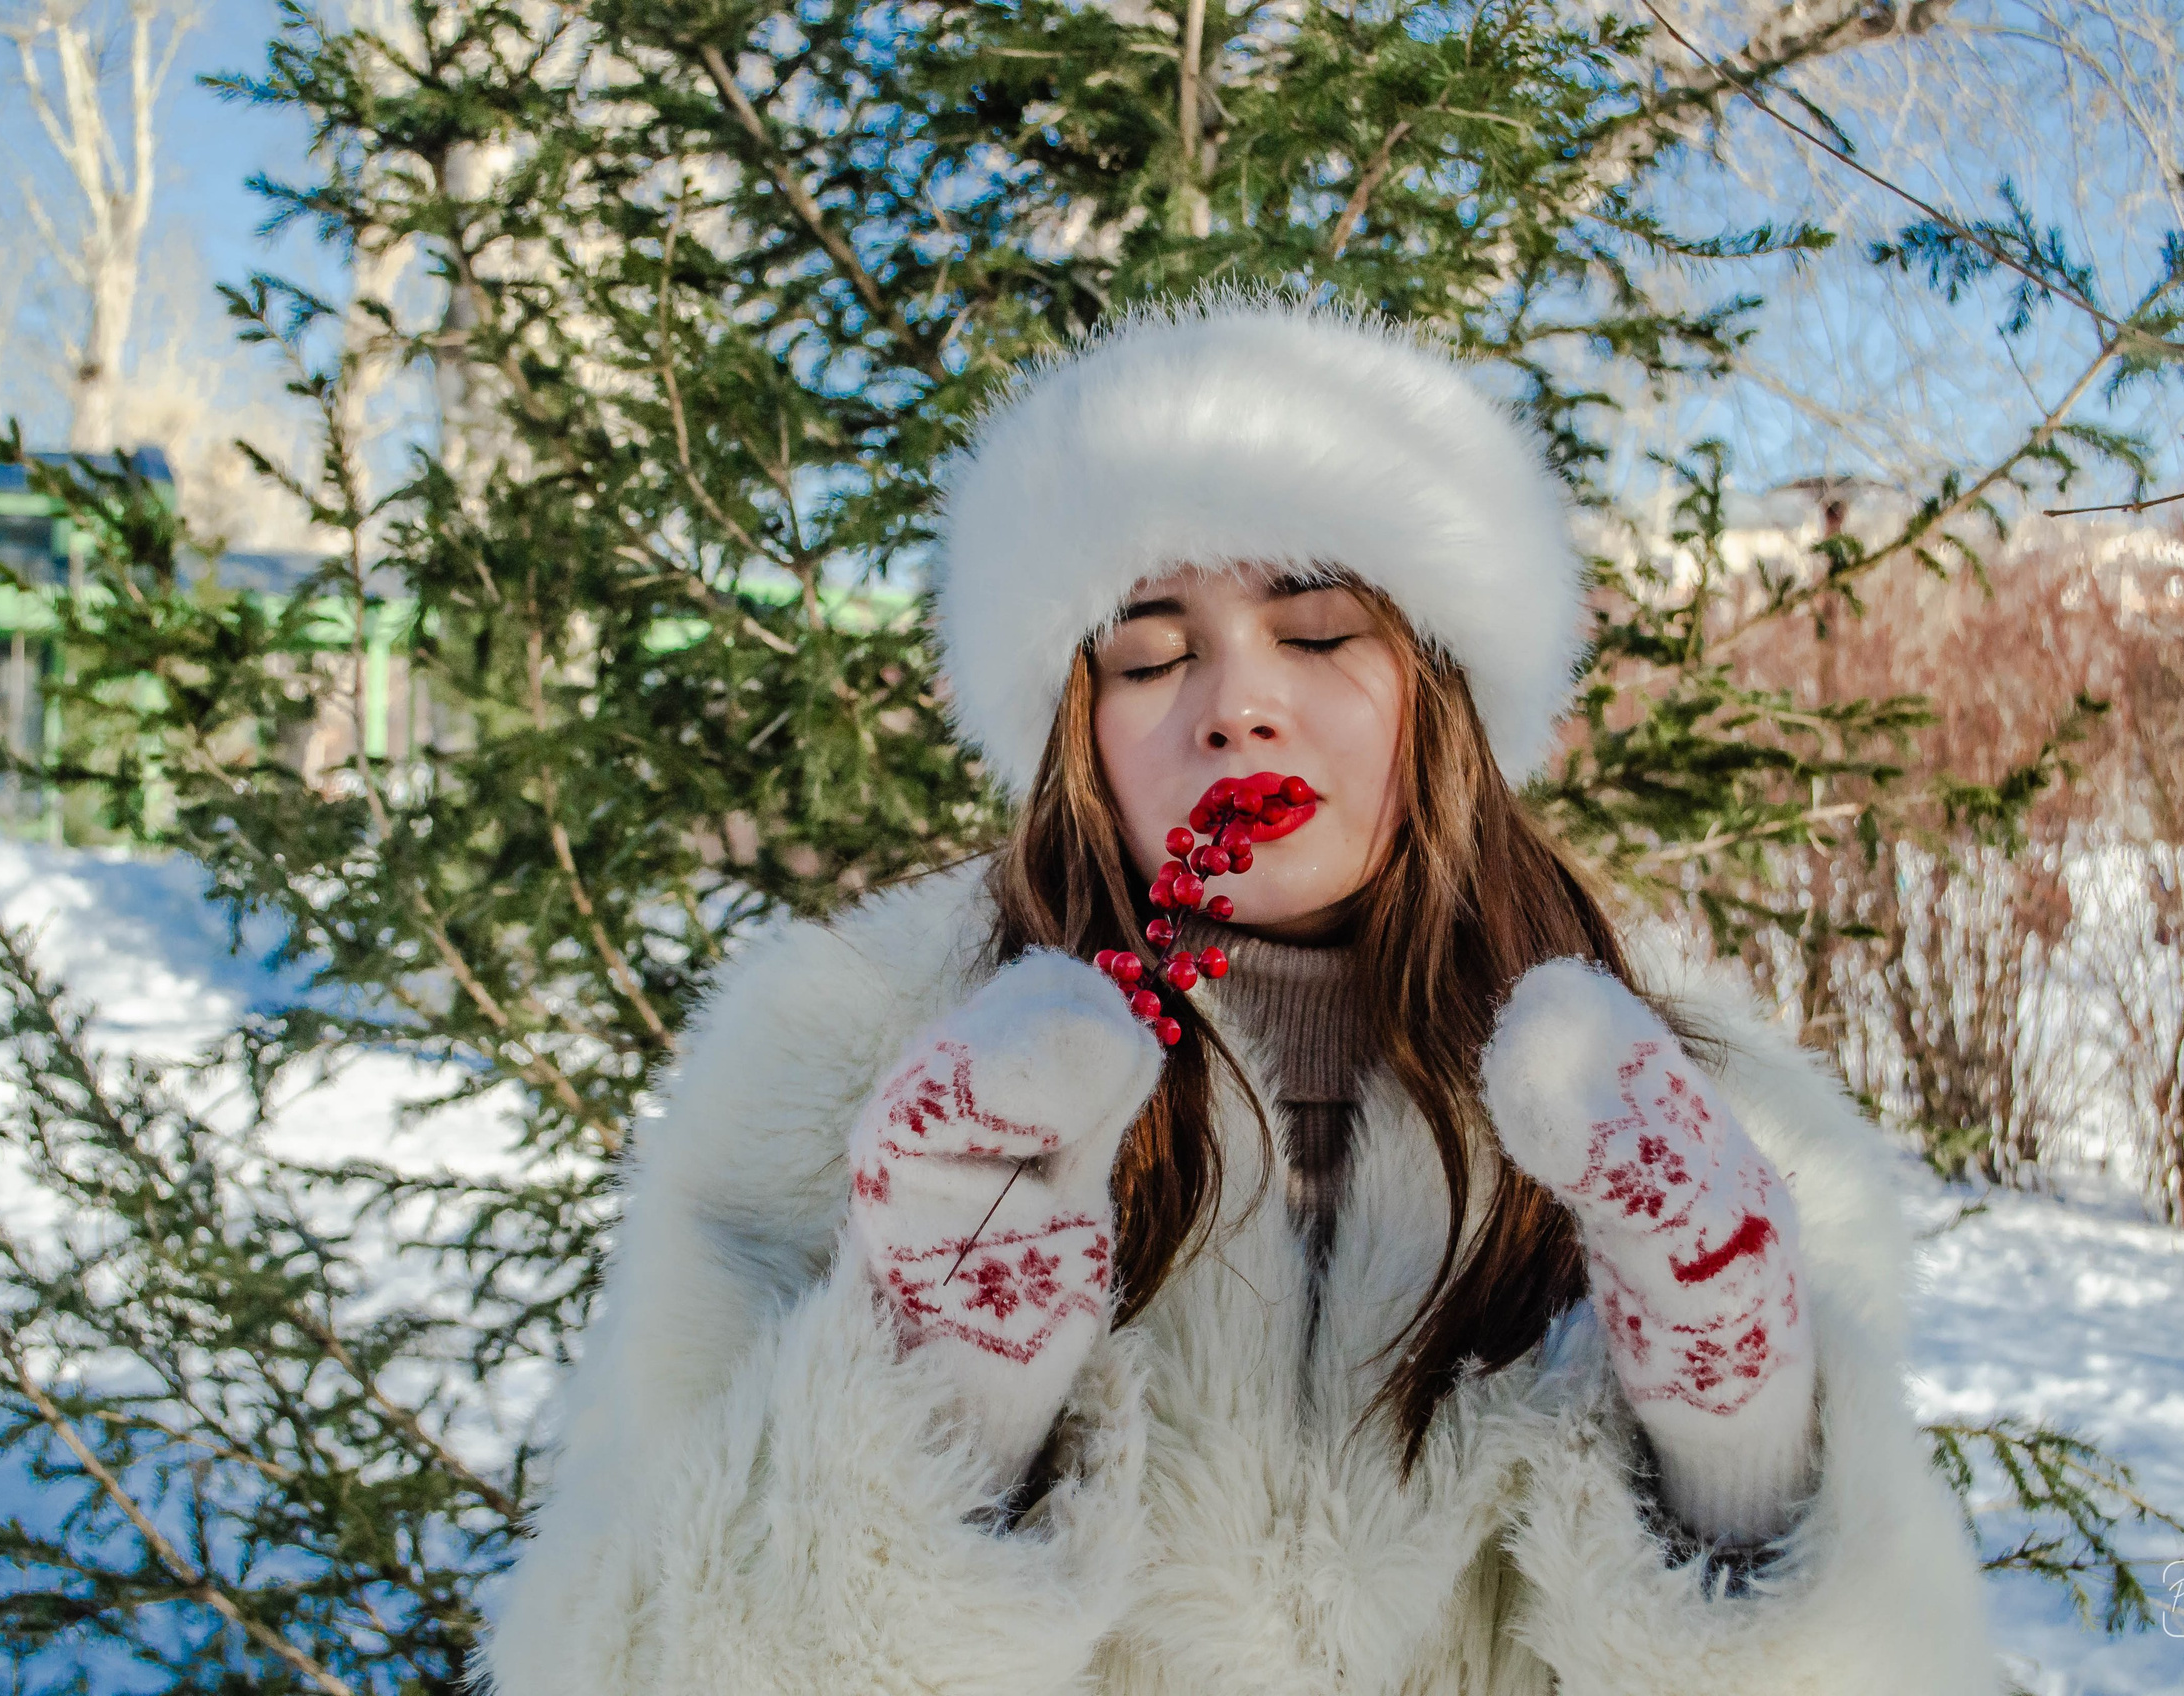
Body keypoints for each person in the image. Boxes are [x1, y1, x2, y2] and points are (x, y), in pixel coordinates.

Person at [483, 298, 1998, 1695]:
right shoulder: (837, 1075)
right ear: (1074, 734)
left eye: (1321, 633)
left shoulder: (1703, 1132)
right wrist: (942, 1405)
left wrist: (1735, 1446)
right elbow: (620, 1657)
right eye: (1151, 658)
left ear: (1440, 687)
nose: (1239, 704)